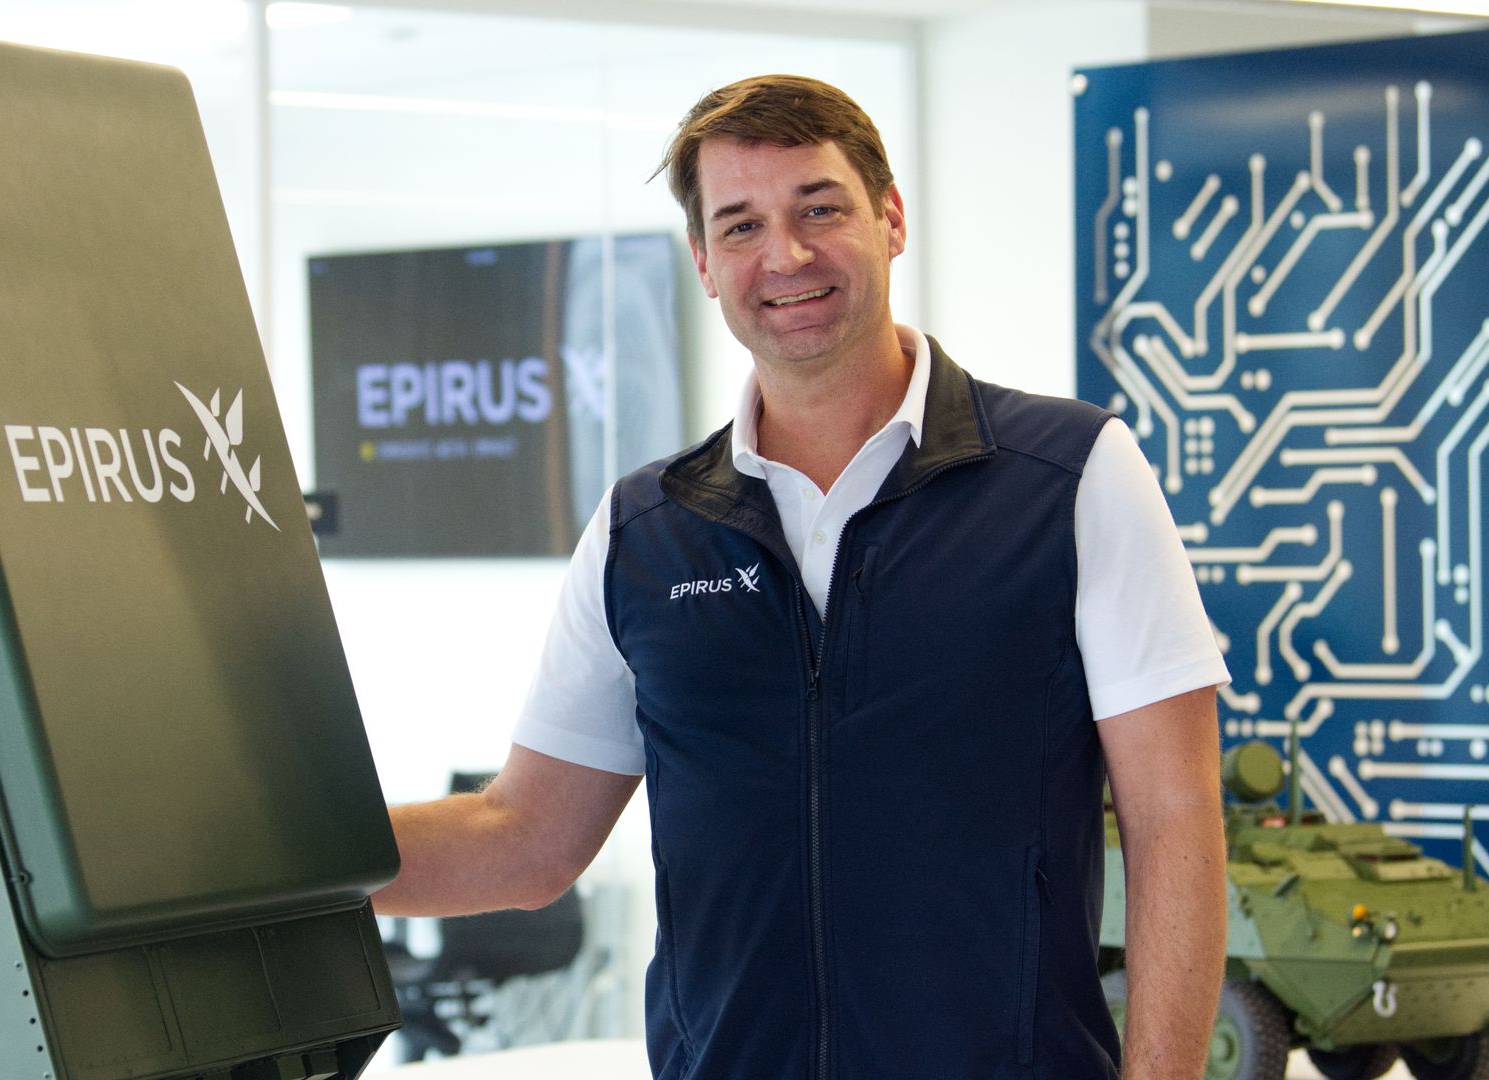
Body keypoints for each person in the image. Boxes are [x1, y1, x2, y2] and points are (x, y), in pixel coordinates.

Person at [375, 74, 1228, 1080]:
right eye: (740, 226)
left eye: (819, 208)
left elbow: (1175, 817)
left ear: (891, 217)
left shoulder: (1069, 476)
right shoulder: (643, 532)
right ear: (702, 261)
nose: (785, 255)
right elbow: (523, 840)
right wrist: (265, 864)